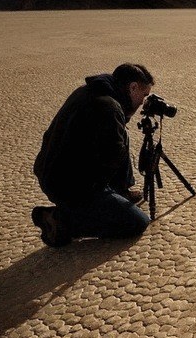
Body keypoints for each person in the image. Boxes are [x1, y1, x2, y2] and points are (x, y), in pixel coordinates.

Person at [31, 63, 155, 247]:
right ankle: (61, 220)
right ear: (133, 87)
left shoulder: (89, 91)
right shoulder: (109, 108)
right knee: (136, 222)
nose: (143, 102)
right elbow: (110, 161)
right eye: (144, 95)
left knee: (121, 135)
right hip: (69, 185)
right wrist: (104, 196)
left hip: (49, 172)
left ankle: (122, 192)